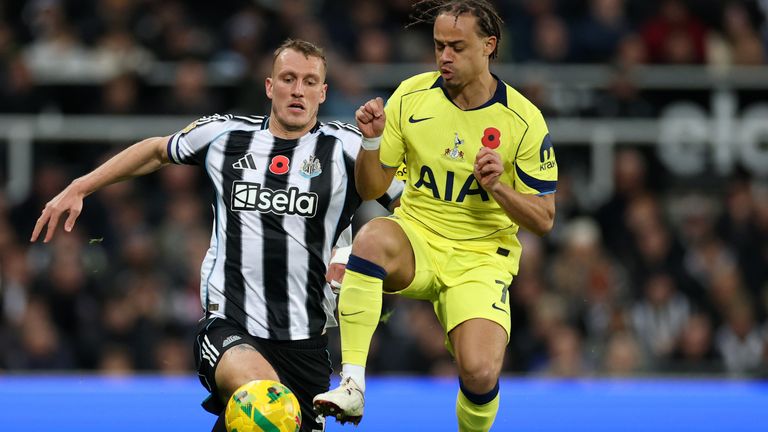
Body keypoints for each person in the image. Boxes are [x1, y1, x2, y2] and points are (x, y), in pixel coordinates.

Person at [30, 39, 402, 432]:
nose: (298, 90)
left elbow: (408, 208)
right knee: (264, 399)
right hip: (229, 326)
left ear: (323, 93)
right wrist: (80, 186)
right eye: (288, 79)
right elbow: (157, 151)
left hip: (306, 342)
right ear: (269, 86)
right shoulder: (225, 136)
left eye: (310, 82)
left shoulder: (348, 147)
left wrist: (373, 265)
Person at [313, 1, 558, 431]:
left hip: (480, 258)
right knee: (370, 237)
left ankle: (373, 294)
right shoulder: (411, 96)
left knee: (480, 372)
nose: (444, 56)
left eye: (457, 47)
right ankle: (351, 385)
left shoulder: (523, 120)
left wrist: (498, 187)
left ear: (489, 46)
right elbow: (372, 189)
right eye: (439, 45)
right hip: (417, 236)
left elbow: (544, 219)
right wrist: (371, 144)